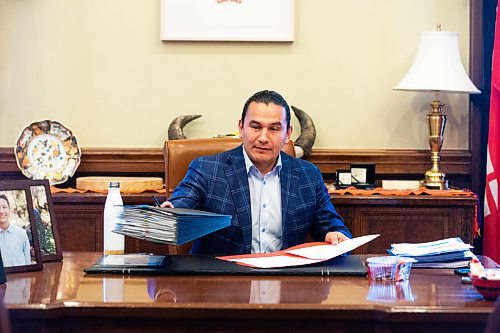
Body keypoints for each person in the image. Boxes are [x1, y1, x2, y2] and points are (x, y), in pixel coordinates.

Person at [163, 90, 351, 254]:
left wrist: (335, 234)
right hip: (220, 283)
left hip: (286, 283)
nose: (263, 137)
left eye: (274, 129)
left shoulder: (307, 175)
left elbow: (330, 224)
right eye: (255, 127)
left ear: (287, 134)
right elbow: (182, 202)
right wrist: (171, 210)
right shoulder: (206, 169)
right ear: (240, 128)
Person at [0, 194, 31, 267]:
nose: (1, 211)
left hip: (21, 277)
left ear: (9, 210)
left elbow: (28, 263)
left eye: (4, 207)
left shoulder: (21, 234)